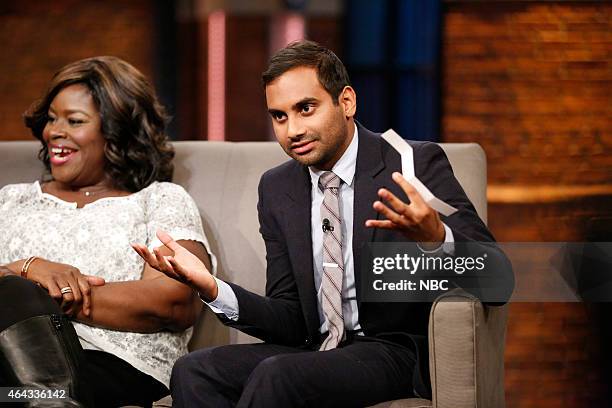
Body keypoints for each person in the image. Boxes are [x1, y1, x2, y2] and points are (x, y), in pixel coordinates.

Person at [135, 40, 512, 407]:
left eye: (306, 109)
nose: (292, 130)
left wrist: (436, 238)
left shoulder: (413, 163)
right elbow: (290, 318)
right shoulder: (278, 187)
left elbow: (498, 281)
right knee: (194, 370)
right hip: (314, 347)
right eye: (280, 116)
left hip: (392, 350)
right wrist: (212, 287)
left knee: (278, 375)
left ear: (346, 102)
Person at [0, 56, 214, 407]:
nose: (54, 131)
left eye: (74, 120)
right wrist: (27, 267)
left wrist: (46, 294)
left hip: (118, 365)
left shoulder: (159, 200)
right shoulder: (11, 200)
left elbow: (174, 301)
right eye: (52, 118)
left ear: (116, 131)